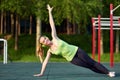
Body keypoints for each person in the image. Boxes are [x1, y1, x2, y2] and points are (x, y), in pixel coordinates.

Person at [34, 4, 115, 77]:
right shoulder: (50, 51)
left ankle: (109, 72)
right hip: (73, 60)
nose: (45, 40)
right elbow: (45, 62)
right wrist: (41, 73)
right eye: (43, 41)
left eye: (45, 38)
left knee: (92, 62)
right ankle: (106, 73)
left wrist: (50, 12)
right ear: (43, 44)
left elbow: (52, 24)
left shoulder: (54, 37)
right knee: (90, 67)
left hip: (77, 51)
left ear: (47, 37)